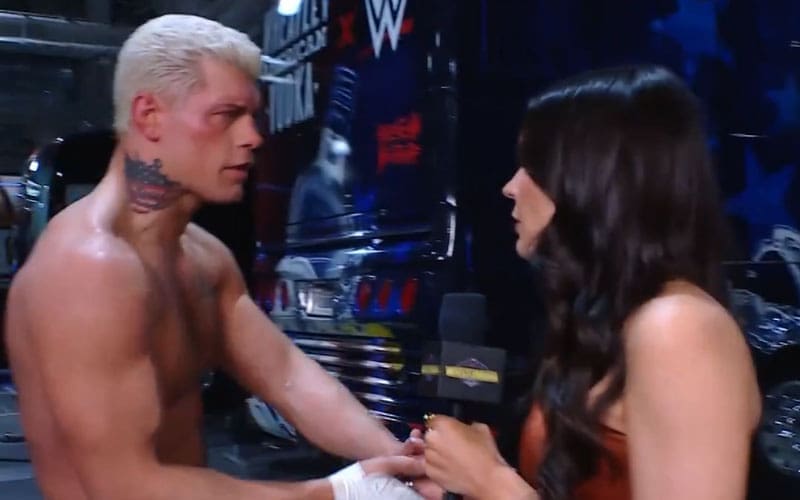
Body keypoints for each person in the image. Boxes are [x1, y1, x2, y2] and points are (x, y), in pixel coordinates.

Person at [4, 14, 427, 500]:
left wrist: (401, 461)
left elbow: (287, 376)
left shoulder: (201, 257)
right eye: (227, 115)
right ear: (149, 116)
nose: (253, 137)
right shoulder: (88, 270)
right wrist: (339, 491)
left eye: (252, 116)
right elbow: (124, 485)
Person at [422, 65, 761, 499]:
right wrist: (467, 475)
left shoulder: (678, 328)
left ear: (594, 182)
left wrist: (490, 482)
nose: (510, 186)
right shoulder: (609, 321)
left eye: (533, 166)